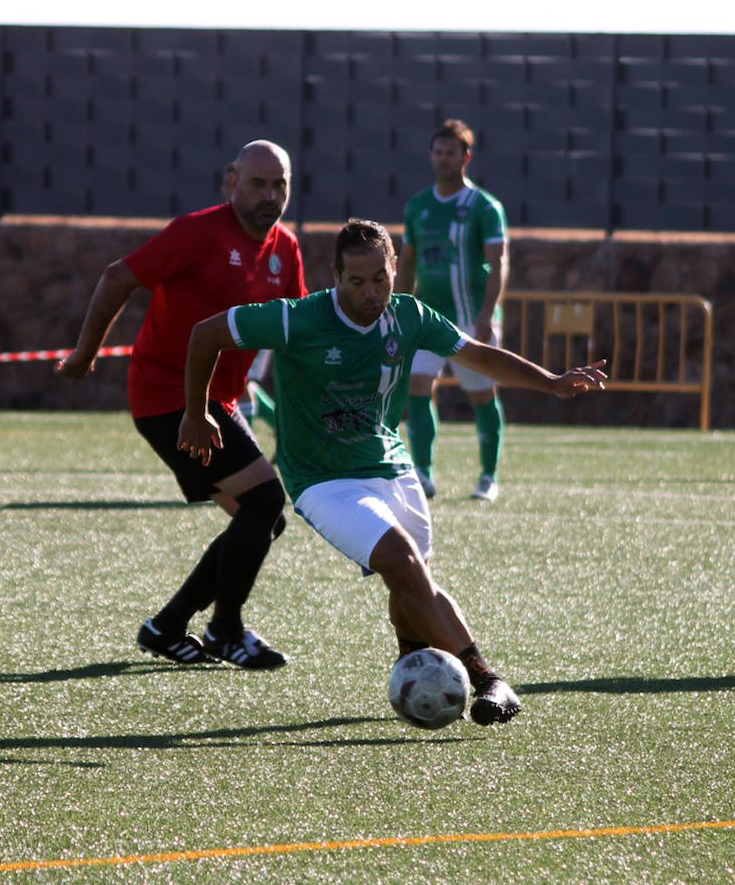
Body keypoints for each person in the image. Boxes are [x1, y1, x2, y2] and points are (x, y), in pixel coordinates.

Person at [177, 219, 606, 724]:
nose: (370, 292)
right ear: (334, 275)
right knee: (403, 564)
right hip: (324, 481)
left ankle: (412, 662)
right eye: (355, 282)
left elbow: (478, 356)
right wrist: (195, 411)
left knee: (412, 583)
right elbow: (206, 334)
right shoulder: (297, 319)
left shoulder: (410, 315)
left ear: (396, 269)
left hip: (392, 466)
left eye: (380, 278)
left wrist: (552, 382)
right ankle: (488, 678)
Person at [56, 140, 307, 669]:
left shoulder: (286, 247)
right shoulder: (197, 232)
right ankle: (224, 630)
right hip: (167, 396)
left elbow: (297, 333)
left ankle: (168, 626)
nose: (270, 195)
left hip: (221, 401)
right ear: (230, 181)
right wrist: (85, 354)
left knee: (262, 519)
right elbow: (117, 276)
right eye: (258, 183)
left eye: (280, 184)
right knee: (263, 504)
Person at [396, 119, 510, 501]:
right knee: (417, 387)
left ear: (466, 157)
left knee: (481, 393)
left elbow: (499, 263)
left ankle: (489, 476)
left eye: (451, 153)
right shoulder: (418, 206)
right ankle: (423, 473)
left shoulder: (484, 207)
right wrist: (398, 308)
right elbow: (407, 262)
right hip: (429, 316)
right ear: (431, 155)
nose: (444, 159)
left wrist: (487, 314)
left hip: (471, 317)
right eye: (438, 152)